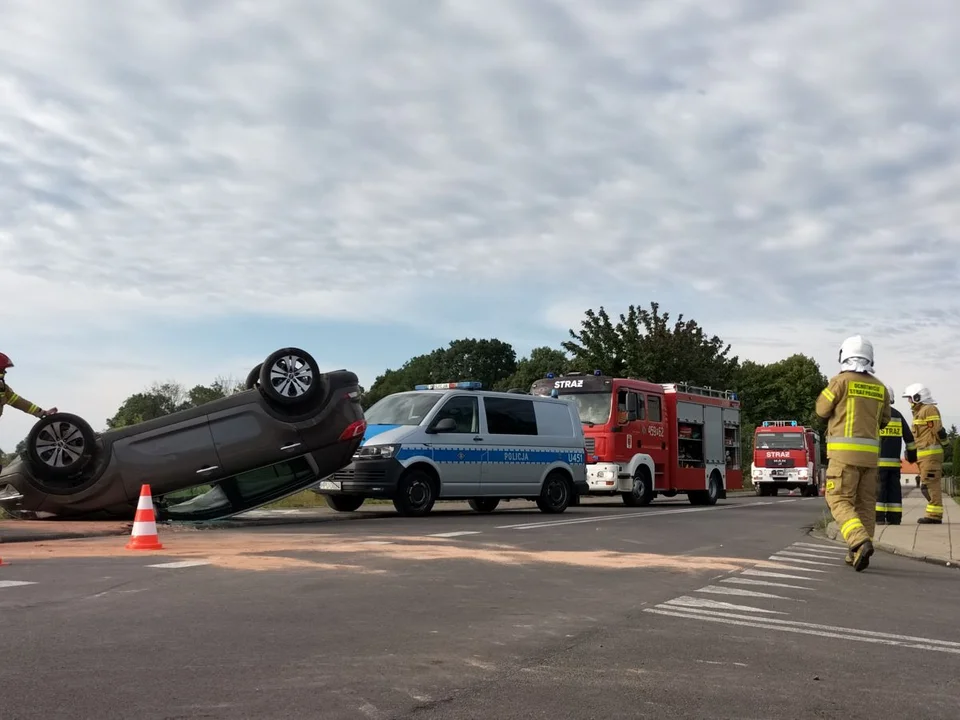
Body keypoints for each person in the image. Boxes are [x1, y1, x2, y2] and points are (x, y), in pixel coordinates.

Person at [815, 335, 890, 571]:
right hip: (870, 458)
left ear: (843, 355)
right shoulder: (880, 387)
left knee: (838, 499)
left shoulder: (840, 382)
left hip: (843, 457)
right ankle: (856, 552)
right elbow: (885, 420)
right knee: (865, 505)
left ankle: (858, 539)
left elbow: (821, 409)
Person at [902, 383, 947, 524]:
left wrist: (945, 444)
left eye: (910, 398)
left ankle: (934, 515)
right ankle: (934, 513)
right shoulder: (919, 412)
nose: (909, 401)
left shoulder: (929, 409)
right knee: (926, 485)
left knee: (930, 485)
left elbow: (937, 430)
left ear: (917, 397)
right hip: (924, 455)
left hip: (931, 454)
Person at [875, 385, 917, 525]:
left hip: (878, 463)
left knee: (879, 490)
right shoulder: (898, 415)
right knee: (894, 490)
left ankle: (879, 518)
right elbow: (909, 439)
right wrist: (911, 457)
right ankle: (894, 518)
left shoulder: (875, 415)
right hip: (894, 463)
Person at [0, 352, 58, 421]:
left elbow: (18, 402)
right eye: (2, 369)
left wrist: (42, 412)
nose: (5, 372)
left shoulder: (3, 389)